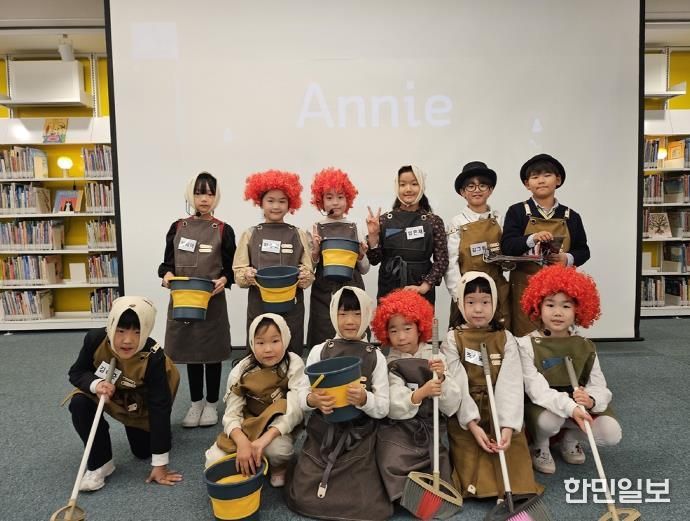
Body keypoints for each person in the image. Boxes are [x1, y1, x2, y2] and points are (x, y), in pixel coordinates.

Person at [286, 286, 392, 521]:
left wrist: (364, 399)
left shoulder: (375, 356)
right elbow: (301, 395)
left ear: (367, 314)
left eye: (357, 313)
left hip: (360, 436)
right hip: (323, 432)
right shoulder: (320, 351)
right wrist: (313, 400)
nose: (350, 321)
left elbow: (383, 407)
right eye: (343, 313)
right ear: (333, 314)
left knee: (367, 504)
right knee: (303, 496)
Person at [442, 271, 541, 499]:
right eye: (471, 302)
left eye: (485, 302)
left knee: (512, 456)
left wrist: (507, 427)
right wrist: (472, 424)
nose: (478, 309)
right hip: (467, 410)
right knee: (472, 462)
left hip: (500, 406)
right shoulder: (452, 338)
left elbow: (511, 385)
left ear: (494, 303)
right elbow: (456, 384)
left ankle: (514, 488)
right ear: (460, 304)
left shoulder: (506, 338)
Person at [66, 296, 181, 491]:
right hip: (109, 391)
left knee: (143, 452)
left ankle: (160, 435)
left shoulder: (154, 357)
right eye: (120, 330)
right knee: (79, 402)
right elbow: (77, 372)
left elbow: (159, 407)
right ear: (111, 325)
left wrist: (160, 463)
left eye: (137, 332)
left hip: (140, 401)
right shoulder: (95, 339)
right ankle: (101, 463)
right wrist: (96, 384)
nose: (127, 340)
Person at [518, 264, 622, 474]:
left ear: (578, 310)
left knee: (611, 433)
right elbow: (537, 391)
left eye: (566, 306)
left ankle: (570, 438)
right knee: (551, 421)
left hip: (580, 407)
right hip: (546, 407)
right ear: (538, 307)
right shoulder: (525, 345)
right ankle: (540, 445)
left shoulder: (585, 345)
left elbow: (599, 386)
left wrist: (591, 400)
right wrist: (570, 407)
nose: (557, 313)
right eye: (550, 305)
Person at [159, 172, 236, 428]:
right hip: (184, 299)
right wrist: (167, 276)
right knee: (191, 351)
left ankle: (211, 404)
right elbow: (167, 264)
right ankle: (196, 403)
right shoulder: (178, 227)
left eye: (210, 194)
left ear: (217, 197)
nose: (204, 199)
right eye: (199, 193)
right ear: (190, 195)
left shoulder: (223, 229)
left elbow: (231, 268)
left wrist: (224, 280)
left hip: (212, 300)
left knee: (211, 353)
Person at [371, 289, 462, 502]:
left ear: (420, 326)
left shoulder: (436, 356)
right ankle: (404, 496)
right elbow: (393, 405)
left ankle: (426, 496)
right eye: (393, 330)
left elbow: (452, 404)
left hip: (430, 426)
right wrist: (421, 393)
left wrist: (442, 378)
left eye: (407, 328)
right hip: (399, 427)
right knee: (389, 457)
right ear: (385, 333)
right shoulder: (389, 362)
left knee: (437, 460)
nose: (401, 337)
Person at [205, 313, 310, 487]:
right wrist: (242, 443)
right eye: (260, 343)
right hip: (248, 425)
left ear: (285, 339)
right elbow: (231, 414)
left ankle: (278, 467)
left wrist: (265, 439)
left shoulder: (294, 363)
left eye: (275, 341)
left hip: (276, 426)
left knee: (278, 451)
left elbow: (295, 409)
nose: (268, 349)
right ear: (252, 343)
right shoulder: (241, 370)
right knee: (213, 461)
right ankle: (252, 459)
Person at [501, 154, 590, 336]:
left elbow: (583, 250)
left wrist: (566, 258)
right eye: (535, 177)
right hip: (524, 286)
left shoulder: (571, 216)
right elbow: (507, 246)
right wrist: (532, 238)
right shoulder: (517, 211)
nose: (541, 181)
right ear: (527, 184)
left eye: (547, 175)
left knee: (556, 333)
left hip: (559, 290)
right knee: (525, 336)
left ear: (558, 180)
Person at [233, 170, 314, 355]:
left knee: (290, 353)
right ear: (260, 202)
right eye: (270, 201)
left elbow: (309, 270)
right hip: (259, 305)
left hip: (292, 307)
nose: (276, 206)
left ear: (290, 203)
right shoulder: (250, 234)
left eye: (282, 201)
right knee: (261, 354)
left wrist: (305, 276)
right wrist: (247, 274)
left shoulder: (298, 234)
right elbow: (238, 273)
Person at [366, 165, 448, 306]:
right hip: (389, 288)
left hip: (420, 289)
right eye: (402, 184)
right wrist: (373, 235)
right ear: (397, 188)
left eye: (414, 184)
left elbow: (442, 260)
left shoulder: (433, 221)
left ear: (422, 187)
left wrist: (425, 286)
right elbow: (374, 260)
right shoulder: (384, 220)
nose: (408, 189)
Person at [307, 167, 369, 347]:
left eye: (340, 197)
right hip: (323, 291)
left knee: (354, 332)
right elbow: (309, 269)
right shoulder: (314, 228)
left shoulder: (355, 227)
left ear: (348, 199)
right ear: (320, 201)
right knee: (323, 333)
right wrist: (315, 251)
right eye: (329, 197)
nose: (335, 202)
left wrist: (361, 255)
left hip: (352, 288)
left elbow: (365, 268)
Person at [445, 161, 510, 329]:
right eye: (471, 186)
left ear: (490, 190)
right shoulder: (457, 223)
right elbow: (451, 262)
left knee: (499, 336)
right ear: (462, 192)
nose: (477, 190)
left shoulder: (499, 219)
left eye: (482, 185)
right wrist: (459, 295)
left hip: (497, 290)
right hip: (467, 291)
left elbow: (508, 253)